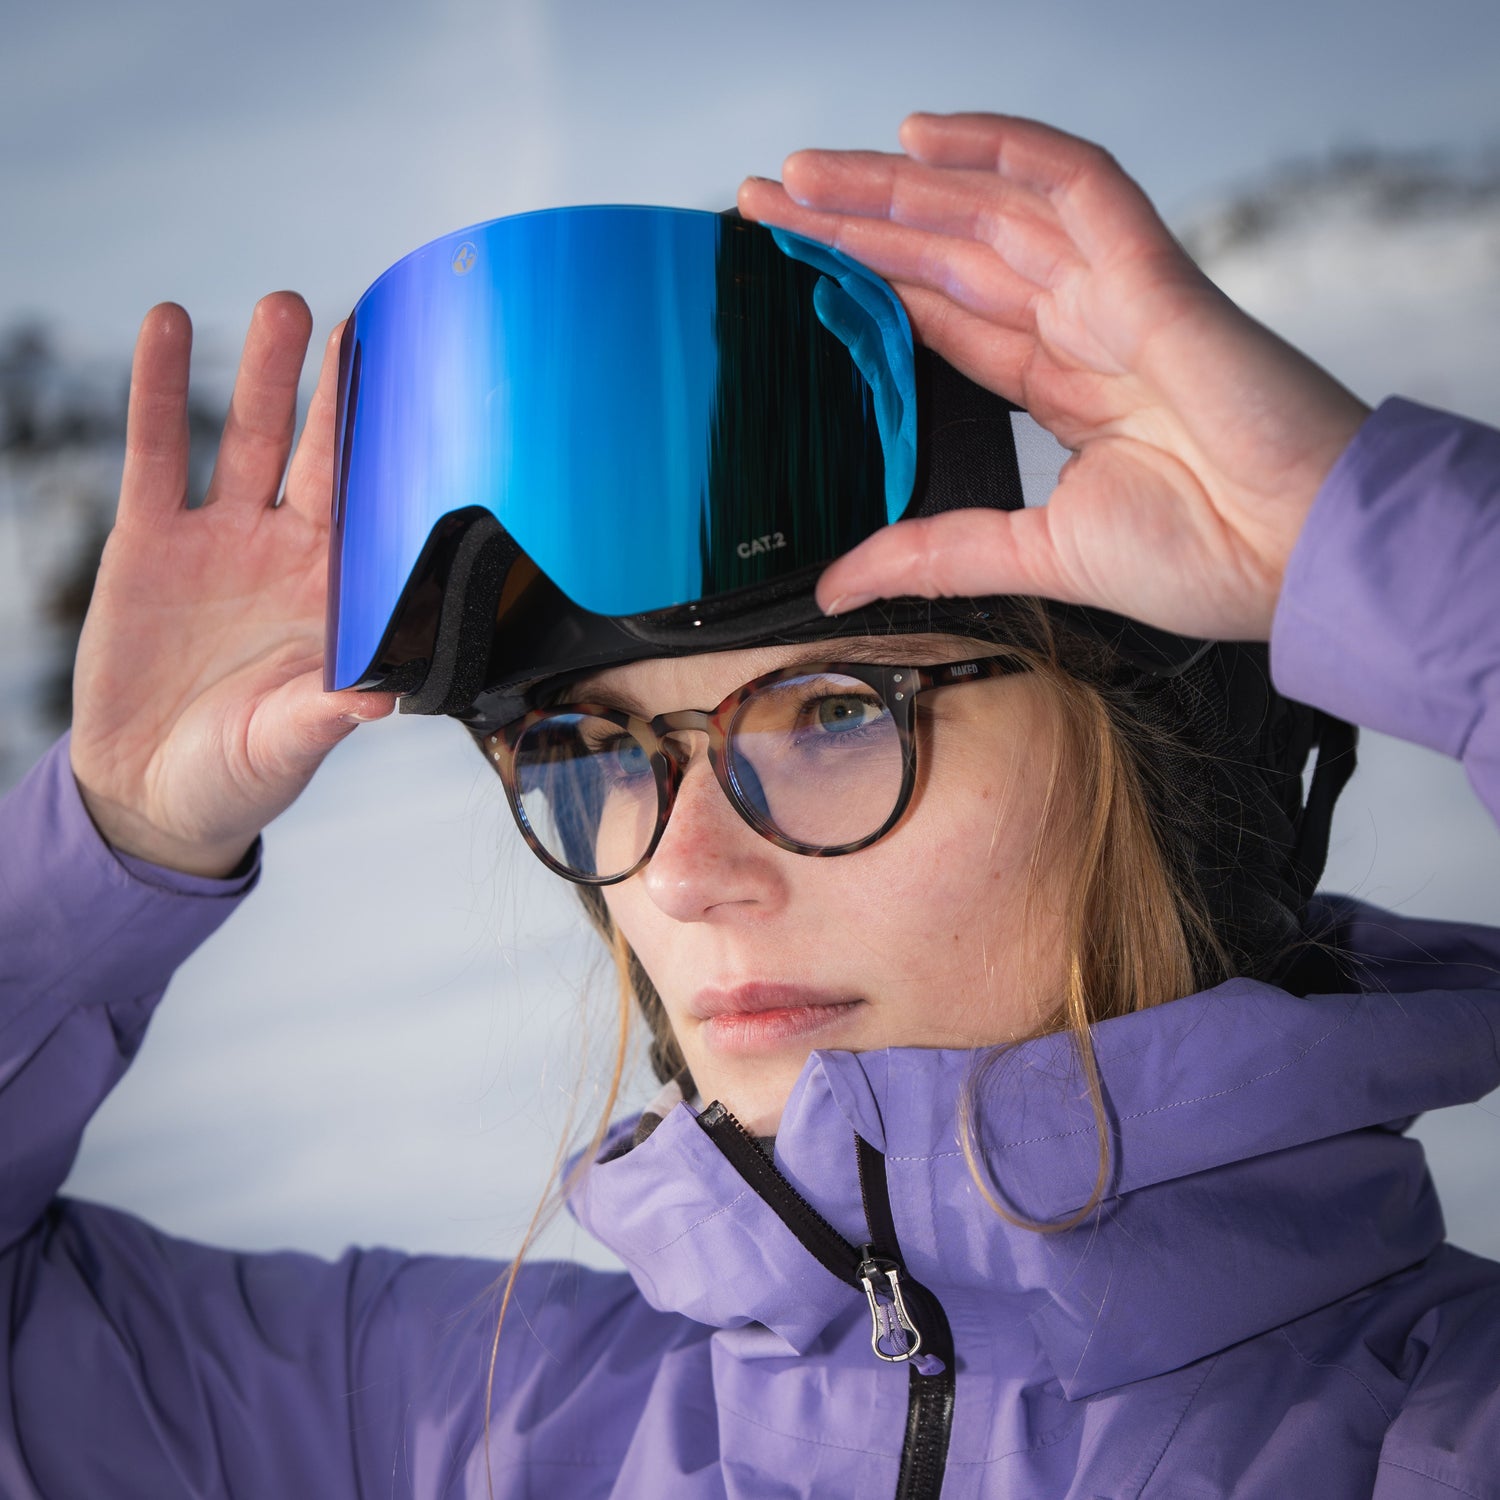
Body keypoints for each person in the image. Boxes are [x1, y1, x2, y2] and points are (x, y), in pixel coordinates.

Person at [2, 110, 1498, 1498]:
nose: (686, 875)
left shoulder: (1436, 1433)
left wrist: (1367, 543)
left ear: (1165, 773)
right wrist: (115, 839)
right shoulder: (485, 1431)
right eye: (599, 750)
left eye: (836, 717)